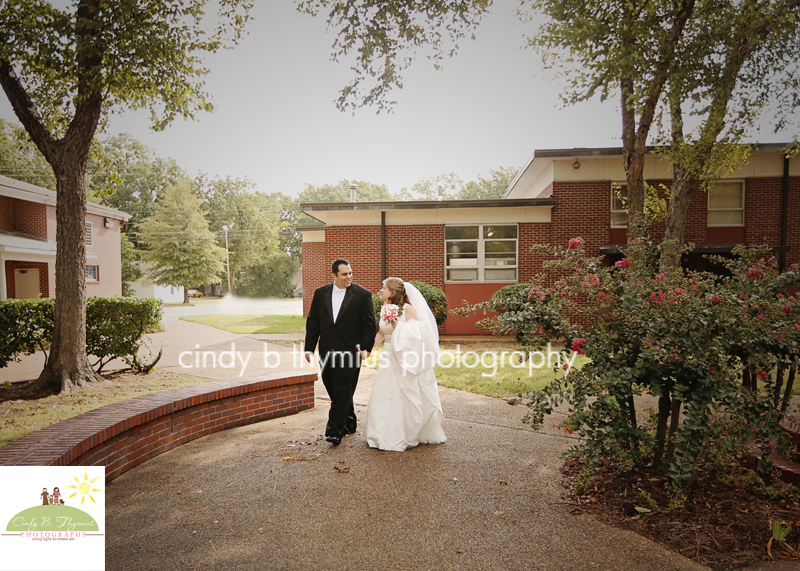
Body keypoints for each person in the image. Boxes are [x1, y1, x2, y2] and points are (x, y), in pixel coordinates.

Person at [365, 278, 446, 452]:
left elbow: (418, 335)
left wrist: (399, 326)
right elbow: (380, 334)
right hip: (387, 357)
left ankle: (403, 433)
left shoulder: (408, 310)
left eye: (383, 288)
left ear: (393, 292)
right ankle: (380, 434)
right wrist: (368, 350)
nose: (380, 291)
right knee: (384, 394)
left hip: (403, 359)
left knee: (401, 394)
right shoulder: (384, 310)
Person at [304, 259, 377, 445]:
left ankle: (334, 430)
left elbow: (369, 326)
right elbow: (313, 322)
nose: (349, 277)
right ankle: (349, 422)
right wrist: (309, 348)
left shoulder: (362, 295)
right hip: (326, 352)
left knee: (343, 390)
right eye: (345, 274)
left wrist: (366, 347)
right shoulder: (320, 293)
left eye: (351, 273)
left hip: (351, 352)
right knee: (335, 390)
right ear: (334, 275)